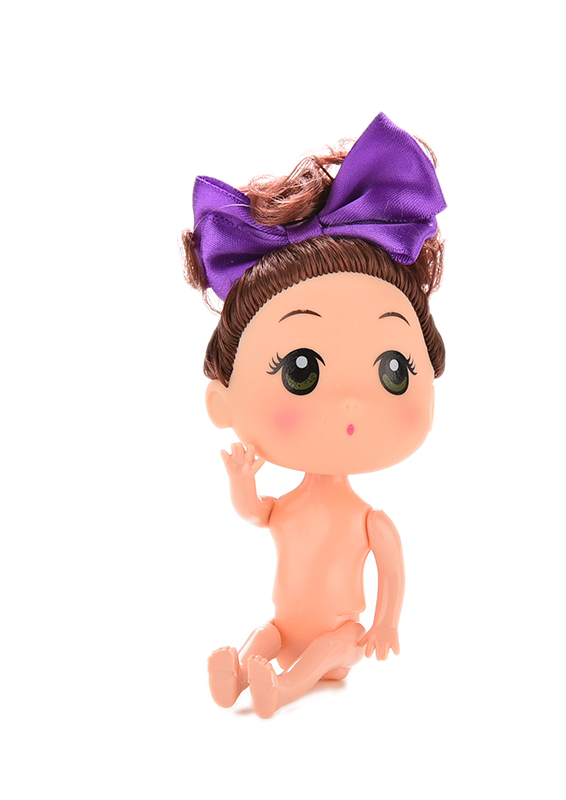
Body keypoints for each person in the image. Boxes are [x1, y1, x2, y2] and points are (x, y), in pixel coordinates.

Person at [183, 113, 447, 717]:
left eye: (394, 370)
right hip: (284, 622)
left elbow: (392, 575)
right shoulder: (291, 506)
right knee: (264, 636)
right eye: (300, 371)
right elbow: (256, 513)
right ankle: (239, 673)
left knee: (329, 648)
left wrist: (385, 624)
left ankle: (282, 687)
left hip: (344, 633)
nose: (350, 402)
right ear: (222, 402)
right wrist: (241, 481)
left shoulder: (370, 520)